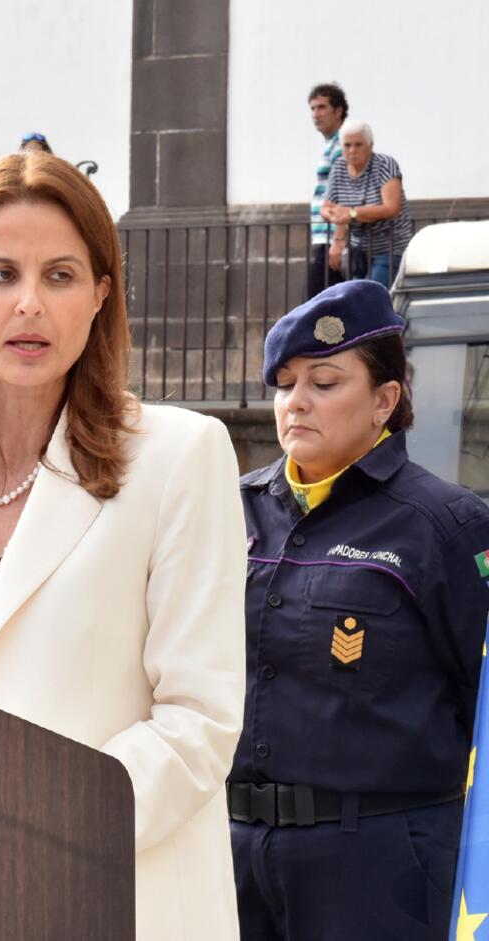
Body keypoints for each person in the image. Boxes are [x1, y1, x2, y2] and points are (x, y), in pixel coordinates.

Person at [0, 152, 247, 940]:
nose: (29, 304)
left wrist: (23, 832)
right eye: (0, 273)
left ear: (102, 295)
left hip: (109, 900)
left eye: (62, 275)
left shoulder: (181, 456)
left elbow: (198, 723)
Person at [228, 280, 489, 940]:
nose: (297, 403)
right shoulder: (226, 510)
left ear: (384, 399)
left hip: (378, 864)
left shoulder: (447, 526)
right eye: (286, 385)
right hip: (231, 855)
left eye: (324, 382)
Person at [321, 119, 413, 289]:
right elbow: (328, 207)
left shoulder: (385, 165)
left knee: (370, 294)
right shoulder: (339, 167)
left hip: (390, 248)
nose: (352, 150)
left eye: (358, 145)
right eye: (347, 145)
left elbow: (391, 208)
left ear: (370, 146)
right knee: (355, 295)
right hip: (358, 250)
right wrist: (338, 238)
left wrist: (352, 213)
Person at [306, 83, 348, 298]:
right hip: (324, 235)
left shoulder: (342, 144)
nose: (316, 114)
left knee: (316, 304)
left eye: (321, 107)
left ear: (338, 111)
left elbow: (344, 191)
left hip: (330, 237)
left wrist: (338, 241)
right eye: (312, 108)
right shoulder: (332, 144)